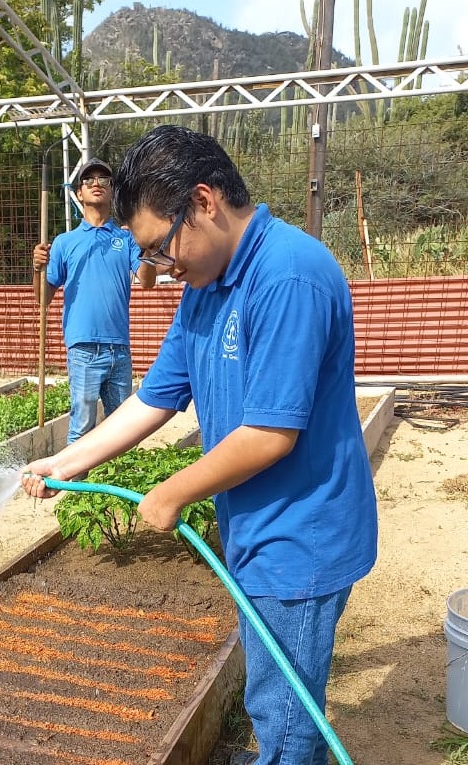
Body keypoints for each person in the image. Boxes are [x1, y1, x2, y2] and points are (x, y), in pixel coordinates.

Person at [22, 125, 377, 765]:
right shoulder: (205, 289)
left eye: (161, 248)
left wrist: (172, 491)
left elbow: (270, 434)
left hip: (302, 536)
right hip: (259, 526)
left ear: (204, 202)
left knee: (287, 712)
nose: (162, 271)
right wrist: (63, 462)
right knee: (275, 693)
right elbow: (153, 398)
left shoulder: (289, 275)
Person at [33, 156, 156, 445]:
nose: (96, 184)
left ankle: (113, 485)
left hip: (119, 348)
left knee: (122, 427)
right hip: (83, 348)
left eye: (104, 180)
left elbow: (147, 282)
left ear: (112, 191)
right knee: (82, 426)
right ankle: (77, 489)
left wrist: (148, 246)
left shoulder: (125, 239)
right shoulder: (65, 242)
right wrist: (37, 268)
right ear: (79, 193)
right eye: (89, 180)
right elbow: (42, 299)